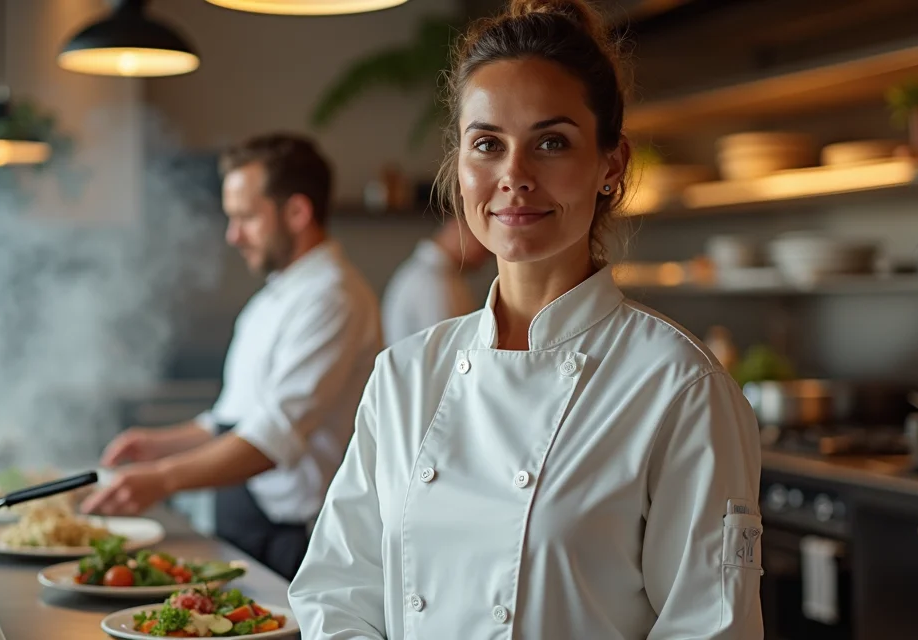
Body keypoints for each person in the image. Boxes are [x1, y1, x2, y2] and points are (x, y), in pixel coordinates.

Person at [287, 0, 763, 637]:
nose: (513, 176)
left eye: (551, 142)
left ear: (611, 165)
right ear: (459, 165)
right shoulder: (405, 376)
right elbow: (337, 592)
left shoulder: (678, 388)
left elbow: (710, 629)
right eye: (487, 144)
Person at [82, 133, 383, 580]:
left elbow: (274, 436)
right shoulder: (275, 297)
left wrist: (162, 478)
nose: (233, 235)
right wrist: (155, 444)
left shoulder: (333, 297)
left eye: (245, 218)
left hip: (296, 539)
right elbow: (232, 418)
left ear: (298, 212)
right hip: (247, 523)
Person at [380, 216, 491, 345]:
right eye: (482, 238)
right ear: (457, 227)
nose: (488, 250)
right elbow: (448, 350)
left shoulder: (438, 276)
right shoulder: (431, 282)